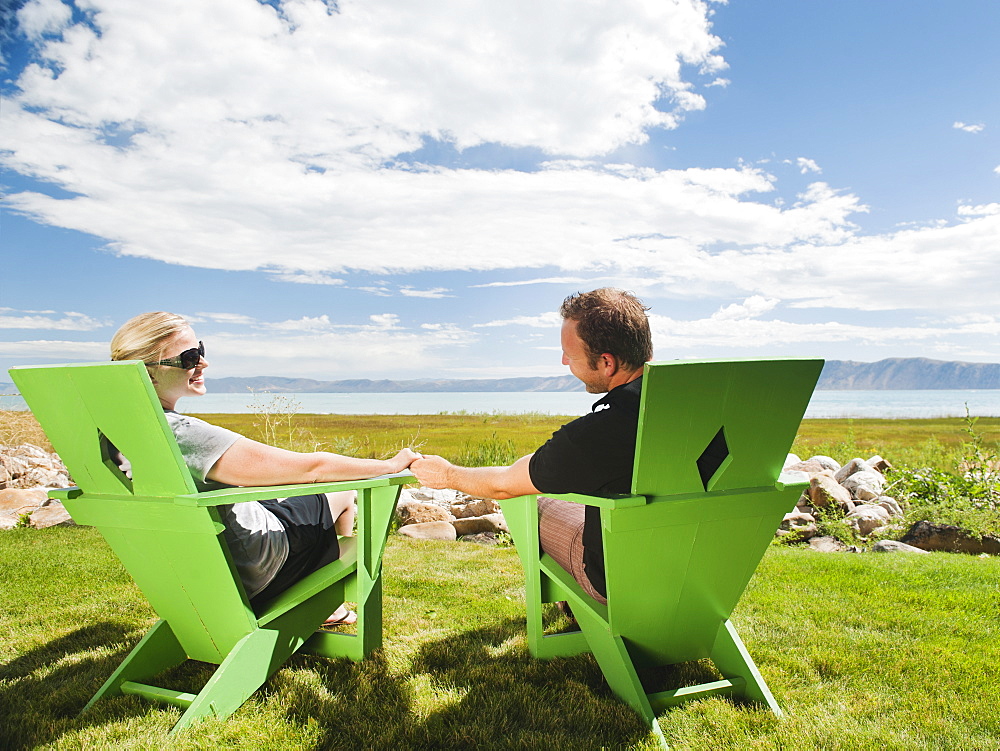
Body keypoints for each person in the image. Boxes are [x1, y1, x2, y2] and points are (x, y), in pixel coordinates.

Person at [111, 312, 421, 625]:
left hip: (186, 577)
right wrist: (391, 465)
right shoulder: (180, 434)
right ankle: (327, 602)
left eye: (201, 350)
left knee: (301, 501)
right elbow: (312, 468)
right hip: (257, 569)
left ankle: (327, 593)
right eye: (190, 357)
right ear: (148, 373)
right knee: (341, 491)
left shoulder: (114, 433)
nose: (203, 363)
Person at [411, 288, 652, 604]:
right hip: (707, 569)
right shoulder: (709, 406)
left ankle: (572, 601)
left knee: (533, 502)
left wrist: (447, 474)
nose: (564, 360)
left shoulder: (599, 434)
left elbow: (503, 486)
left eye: (570, 353)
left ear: (606, 362)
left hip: (620, 580)